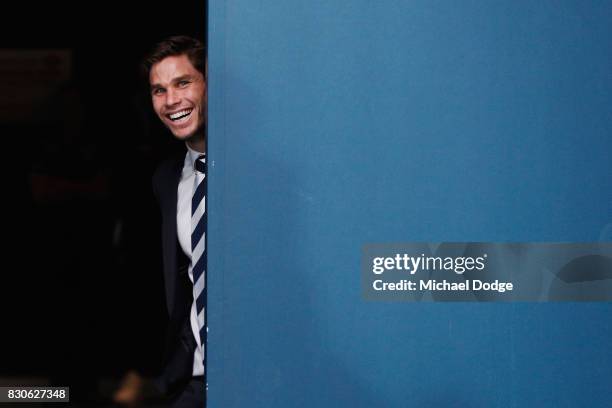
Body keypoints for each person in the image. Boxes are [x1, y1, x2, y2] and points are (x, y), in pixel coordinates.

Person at [141, 35, 208, 408]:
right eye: (159, 90)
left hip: (265, 370)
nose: (171, 101)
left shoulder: (261, 174)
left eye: (183, 82)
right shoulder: (167, 179)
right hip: (196, 378)